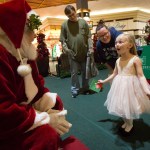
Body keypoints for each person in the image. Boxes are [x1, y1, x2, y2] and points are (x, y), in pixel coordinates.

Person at [0, 0, 72, 149]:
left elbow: (38, 86)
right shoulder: (2, 55)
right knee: (46, 135)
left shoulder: (25, 52)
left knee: (56, 102)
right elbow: (3, 109)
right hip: (7, 124)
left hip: (23, 108)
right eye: (30, 30)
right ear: (17, 30)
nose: (34, 35)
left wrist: (48, 103)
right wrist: (45, 119)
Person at [97, 33, 150, 136]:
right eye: (116, 42)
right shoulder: (118, 60)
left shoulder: (135, 59)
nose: (117, 44)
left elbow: (141, 76)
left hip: (131, 87)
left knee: (128, 106)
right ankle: (126, 122)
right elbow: (114, 74)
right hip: (119, 86)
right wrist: (104, 81)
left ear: (129, 45)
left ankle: (130, 124)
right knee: (121, 106)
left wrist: (146, 90)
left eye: (120, 42)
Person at [59, 5, 94, 98]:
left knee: (85, 71)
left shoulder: (83, 22)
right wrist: (67, 50)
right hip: (72, 54)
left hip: (84, 52)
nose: (72, 17)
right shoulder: (64, 25)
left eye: (73, 14)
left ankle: (86, 88)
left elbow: (89, 36)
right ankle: (75, 90)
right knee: (74, 73)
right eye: (69, 16)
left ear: (75, 12)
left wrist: (90, 47)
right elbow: (63, 40)